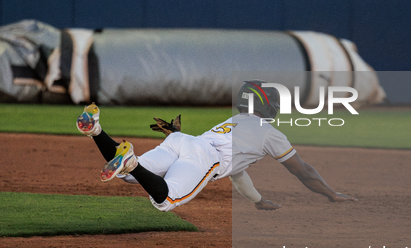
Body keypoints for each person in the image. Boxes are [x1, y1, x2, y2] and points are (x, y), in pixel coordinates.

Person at [76, 80, 357, 212]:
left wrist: (258, 201)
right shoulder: (270, 133)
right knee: (166, 199)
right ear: (268, 106)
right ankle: (132, 161)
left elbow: (239, 172)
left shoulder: (235, 120)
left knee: (126, 177)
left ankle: (96, 129)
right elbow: (303, 171)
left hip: (182, 141)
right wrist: (331, 194)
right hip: (203, 156)